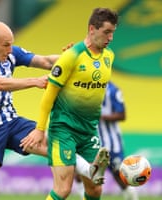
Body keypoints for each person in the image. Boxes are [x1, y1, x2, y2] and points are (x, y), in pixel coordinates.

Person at [0, 21, 105, 200]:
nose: (10, 50)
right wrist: (34, 81)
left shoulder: (11, 53)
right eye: (6, 45)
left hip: (12, 122)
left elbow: (45, 61)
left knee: (56, 145)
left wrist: (70, 57)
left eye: (11, 44)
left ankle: (91, 170)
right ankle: (89, 170)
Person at [21, 7, 118, 200]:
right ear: (92, 29)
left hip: (89, 131)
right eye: (106, 32)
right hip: (64, 130)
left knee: (95, 189)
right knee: (63, 189)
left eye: (112, 33)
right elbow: (49, 94)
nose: (110, 38)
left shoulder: (109, 57)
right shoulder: (71, 56)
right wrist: (40, 129)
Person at [75, 81, 139, 200]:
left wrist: (100, 116)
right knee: (80, 173)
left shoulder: (113, 90)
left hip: (111, 142)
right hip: (90, 141)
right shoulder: (82, 86)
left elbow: (122, 115)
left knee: (119, 176)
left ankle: (132, 198)